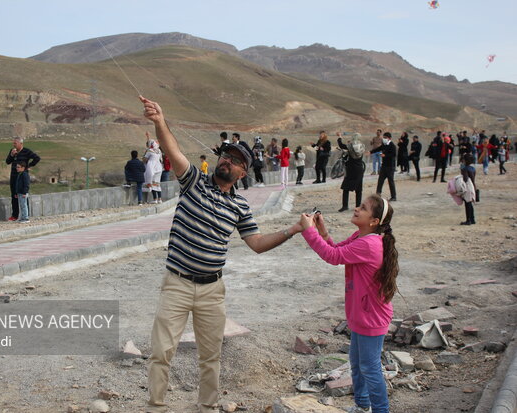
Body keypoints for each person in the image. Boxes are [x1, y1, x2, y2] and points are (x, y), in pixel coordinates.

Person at [139, 95, 304, 413]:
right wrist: (160, 121)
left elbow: (255, 244)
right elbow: (173, 151)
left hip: (213, 290)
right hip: (177, 284)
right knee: (162, 351)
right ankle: (156, 406)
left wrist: (293, 230)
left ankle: (207, 407)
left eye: (235, 160)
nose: (227, 161)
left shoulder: (241, 206)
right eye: (225, 156)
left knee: (210, 356)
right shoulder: (193, 182)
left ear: (243, 172)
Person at [298, 194, 397, 413]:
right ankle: (362, 406)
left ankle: (381, 410)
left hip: (371, 318)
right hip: (362, 315)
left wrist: (308, 231)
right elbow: (337, 250)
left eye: (363, 208)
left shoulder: (369, 244)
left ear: (373, 221)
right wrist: (321, 231)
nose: (356, 209)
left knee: (370, 369)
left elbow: (332, 256)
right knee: (358, 365)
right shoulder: (361, 237)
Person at [5, 137, 40, 221]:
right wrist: (11, 155)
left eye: (15, 143)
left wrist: (28, 166)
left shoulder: (26, 151)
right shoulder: (12, 151)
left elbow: (37, 158)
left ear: (21, 144)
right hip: (14, 176)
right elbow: (7, 162)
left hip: (22, 177)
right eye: (13, 143)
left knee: (24, 195)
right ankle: (15, 215)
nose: (14, 145)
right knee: (14, 195)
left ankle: (25, 216)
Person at [337, 132, 365, 212]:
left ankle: (345, 206)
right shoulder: (362, 146)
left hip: (351, 169)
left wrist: (339, 137)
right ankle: (358, 206)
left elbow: (341, 145)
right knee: (359, 189)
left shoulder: (350, 146)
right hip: (360, 169)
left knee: (346, 188)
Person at [370, 132, 397, 201]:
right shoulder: (384, 144)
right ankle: (378, 195)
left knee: (391, 181)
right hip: (384, 166)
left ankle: (393, 196)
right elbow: (378, 149)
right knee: (380, 181)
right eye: (383, 137)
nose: (384, 139)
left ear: (389, 138)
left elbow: (394, 154)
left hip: (390, 167)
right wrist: (371, 152)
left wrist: (385, 155)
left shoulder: (392, 145)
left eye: (385, 138)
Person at [144, 132, 163, 204]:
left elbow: (145, 159)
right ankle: (160, 199)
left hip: (152, 168)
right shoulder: (159, 151)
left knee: (151, 182)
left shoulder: (150, 151)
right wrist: (148, 137)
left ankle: (155, 199)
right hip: (159, 168)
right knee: (157, 183)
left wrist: (144, 159)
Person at [459, 153, 477, 225]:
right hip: (473, 186)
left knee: (467, 204)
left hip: (467, 187)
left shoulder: (465, 169)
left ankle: (468, 220)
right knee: (470, 204)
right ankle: (472, 219)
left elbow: (465, 179)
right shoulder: (473, 168)